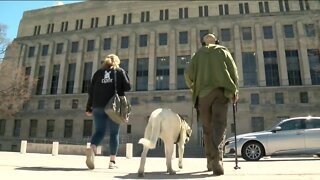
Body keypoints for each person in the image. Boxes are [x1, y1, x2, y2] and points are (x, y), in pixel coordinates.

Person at [184, 33, 239, 175]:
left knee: (207, 129)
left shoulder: (197, 55)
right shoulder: (223, 52)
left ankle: (209, 160)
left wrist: (194, 86)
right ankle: (217, 160)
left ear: (203, 43)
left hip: (203, 95)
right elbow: (234, 72)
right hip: (221, 92)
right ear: (216, 41)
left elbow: (188, 74)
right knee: (219, 126)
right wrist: (235, 90)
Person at [85, 54, 131, 170]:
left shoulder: (98, 73)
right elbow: (127, 87)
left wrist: (88, 107)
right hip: (113, 107)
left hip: (97, 106)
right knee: (114, 133)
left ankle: (92, 147)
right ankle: (112, 162)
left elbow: (91, 91)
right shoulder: (119, 71)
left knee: (99, 131)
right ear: (117, 61)